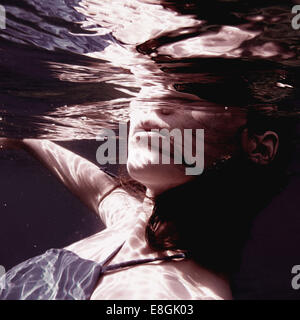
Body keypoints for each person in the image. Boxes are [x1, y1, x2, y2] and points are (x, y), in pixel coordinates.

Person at [0, 86, 296, 300]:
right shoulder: (132, 220)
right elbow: (101, 191)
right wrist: (25, 140)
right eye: (152, 83)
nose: (155, 103)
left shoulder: (176, 296)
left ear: (258, 147)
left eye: (189, 89)